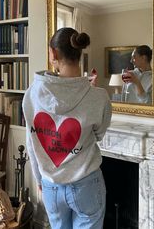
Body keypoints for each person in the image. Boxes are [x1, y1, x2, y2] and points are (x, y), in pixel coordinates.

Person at [22, 27, 112, 229]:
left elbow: (32, 142)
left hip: (50, 185)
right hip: (87, 184)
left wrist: (39, 179)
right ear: (80, 53)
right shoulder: (99, 97)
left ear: (53, 54)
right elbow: (98, 134)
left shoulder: (31, 94)